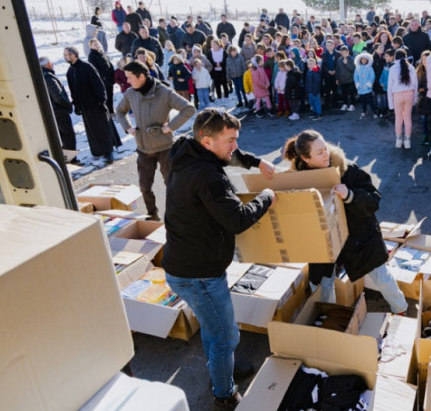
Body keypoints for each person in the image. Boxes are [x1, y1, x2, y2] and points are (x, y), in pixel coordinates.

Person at [162, 108, 276, 409]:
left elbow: (227, 155)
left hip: (187, 265)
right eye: (230, 140)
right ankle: (224, 393)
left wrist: (256, 161)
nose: (235, 146)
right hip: (198, 274)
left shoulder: (185, 151)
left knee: (214, 329)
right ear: (207, 139)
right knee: (226, 335)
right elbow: (237, 220)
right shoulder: (207, 176)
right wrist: (266, 196)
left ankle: (221, 366)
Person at [283, 130, 407, 314]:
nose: (326, 154)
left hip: (359, 237)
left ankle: (400, 308)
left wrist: (350, 195)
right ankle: (331, 320)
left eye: (325, 148)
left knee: (380, 276)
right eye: (319, 153)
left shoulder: (347, 169)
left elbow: (374, 199)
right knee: (324, 285)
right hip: (322, 243)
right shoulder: (297, 180)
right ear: (305, 158)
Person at [116, 61, 195, 220]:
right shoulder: (131, 93)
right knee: (144, 187)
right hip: (143, 149)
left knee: (171, 185)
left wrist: (170, 126)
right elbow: (119, 111)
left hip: (165, 148)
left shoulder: (164, 92)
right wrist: (128, 128)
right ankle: (152, 214)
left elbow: (189, 109)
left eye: (130, 78)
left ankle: (176, 215)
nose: (128, 81)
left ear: (142, 76)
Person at [63, 46, 115, 163]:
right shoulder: (70, 71)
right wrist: (76, 105)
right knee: (92, 130)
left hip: (96, 104)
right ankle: (97, 151)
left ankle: (108, 151)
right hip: (85, 107)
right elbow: (73, 90)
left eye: (66, 54)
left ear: (73, 55)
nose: (65, 57)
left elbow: (98, 85)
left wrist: (101, 101)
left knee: (102, 128)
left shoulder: (87, 67)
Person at [40, 56, 76, 153]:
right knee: (68, 136)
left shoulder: (41, 76)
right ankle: (71, 159)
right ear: (48, 64)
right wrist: (67, 105)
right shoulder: (48, 78)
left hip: (54, 112)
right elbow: (58, 96)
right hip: (60, 112)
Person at [387, 49, 417, 149]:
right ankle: (407, 140)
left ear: (395, 57)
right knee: (407, 118)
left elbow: (389, 87)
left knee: (398, 118)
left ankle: (398, 140)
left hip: (397, 95)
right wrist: (415, 99)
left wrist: (390, 103)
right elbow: (415, 84)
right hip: (409, 94)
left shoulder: (392, 68)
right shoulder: (411, 67)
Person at [354, 52, 377, 119]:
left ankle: (374, 111)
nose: (364, 60)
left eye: (365, 59)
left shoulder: (369, 67)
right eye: (362, 59)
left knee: (370, 100)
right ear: (360, 60)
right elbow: (355, 76)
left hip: (367, 88)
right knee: (363, 100)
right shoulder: (357, 68)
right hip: (361, 88)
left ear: (367, 60)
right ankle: (364, 110)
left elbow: (372, 76)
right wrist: (357, 84)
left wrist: (369, 84)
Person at [336, 45, 356, 112]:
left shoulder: (351, 59)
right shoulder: (339, 60)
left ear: (348, 52)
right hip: (342, 80)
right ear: (341, 53)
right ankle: (345, 104)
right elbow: (337, 69)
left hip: (350, 79)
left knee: (351, 93)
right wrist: (337, 78)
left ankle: (352, 105)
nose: (344, 54)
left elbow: (352, 68)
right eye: (342, 52)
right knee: (344, 93)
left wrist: (346, 63)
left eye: (345, 52)